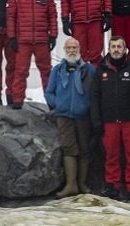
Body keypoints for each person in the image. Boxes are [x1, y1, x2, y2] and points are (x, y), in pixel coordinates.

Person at [90, 36, 130, 202]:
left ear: (125, 49)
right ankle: (113, 186)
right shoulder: (101, 71)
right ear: (109, 49)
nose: (116, 49)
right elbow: (94, 97)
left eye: (119, 46)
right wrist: (96, 121)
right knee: (111, 156)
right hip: (109, 122)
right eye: (113, 46)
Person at [45, 38, 95, 198]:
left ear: (79, 49)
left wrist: (89, 106)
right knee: (69, 148)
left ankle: (82, 184)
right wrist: (58, 105)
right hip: (64, 116)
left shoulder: (88, 69)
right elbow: (49, 92)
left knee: (84, 149)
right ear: (64, 50)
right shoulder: (58, 70)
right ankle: (71, 185)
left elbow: (96, 91)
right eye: (69, 48)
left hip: (84, 116)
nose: (72, 50)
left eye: (74, 47)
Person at [6, 0, 57, 109]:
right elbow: (10, 17)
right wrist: (12, 38)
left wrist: (53, 35)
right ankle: (17, 100)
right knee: (20, 71)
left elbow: (52, 16)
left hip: (42, 40)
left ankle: (51, 102)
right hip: (23, 41)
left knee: (47, 72)